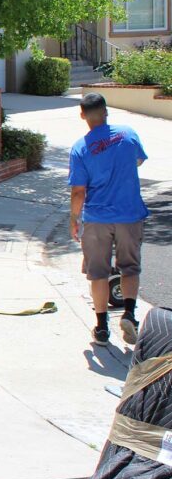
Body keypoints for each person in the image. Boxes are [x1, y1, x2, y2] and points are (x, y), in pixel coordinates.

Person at [68, 93, 149, 347]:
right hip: (130, 214)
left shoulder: (80, 148)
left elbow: (78, 191)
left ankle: (102, 327)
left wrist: (74, 219)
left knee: (98, 273)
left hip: (97, 218)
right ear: (106, 111)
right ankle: (129, 314)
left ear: (83, 115)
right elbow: (137, 161)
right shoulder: (128, 134)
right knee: (130, 267)